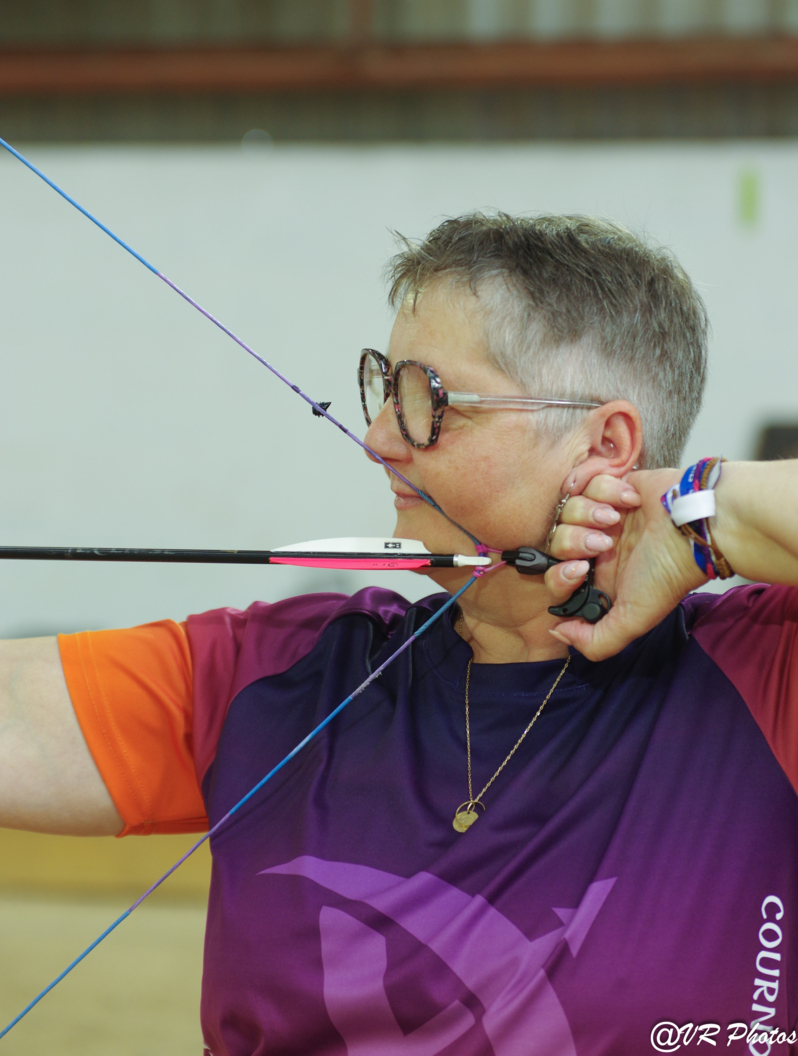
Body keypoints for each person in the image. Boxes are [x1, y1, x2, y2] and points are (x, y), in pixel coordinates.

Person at [2, 212, 797, 1056]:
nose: (380, 439)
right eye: (386, 388)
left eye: (430, 400)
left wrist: (704, 514)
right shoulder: (275, 674)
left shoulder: (766, 671)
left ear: (604, 444)